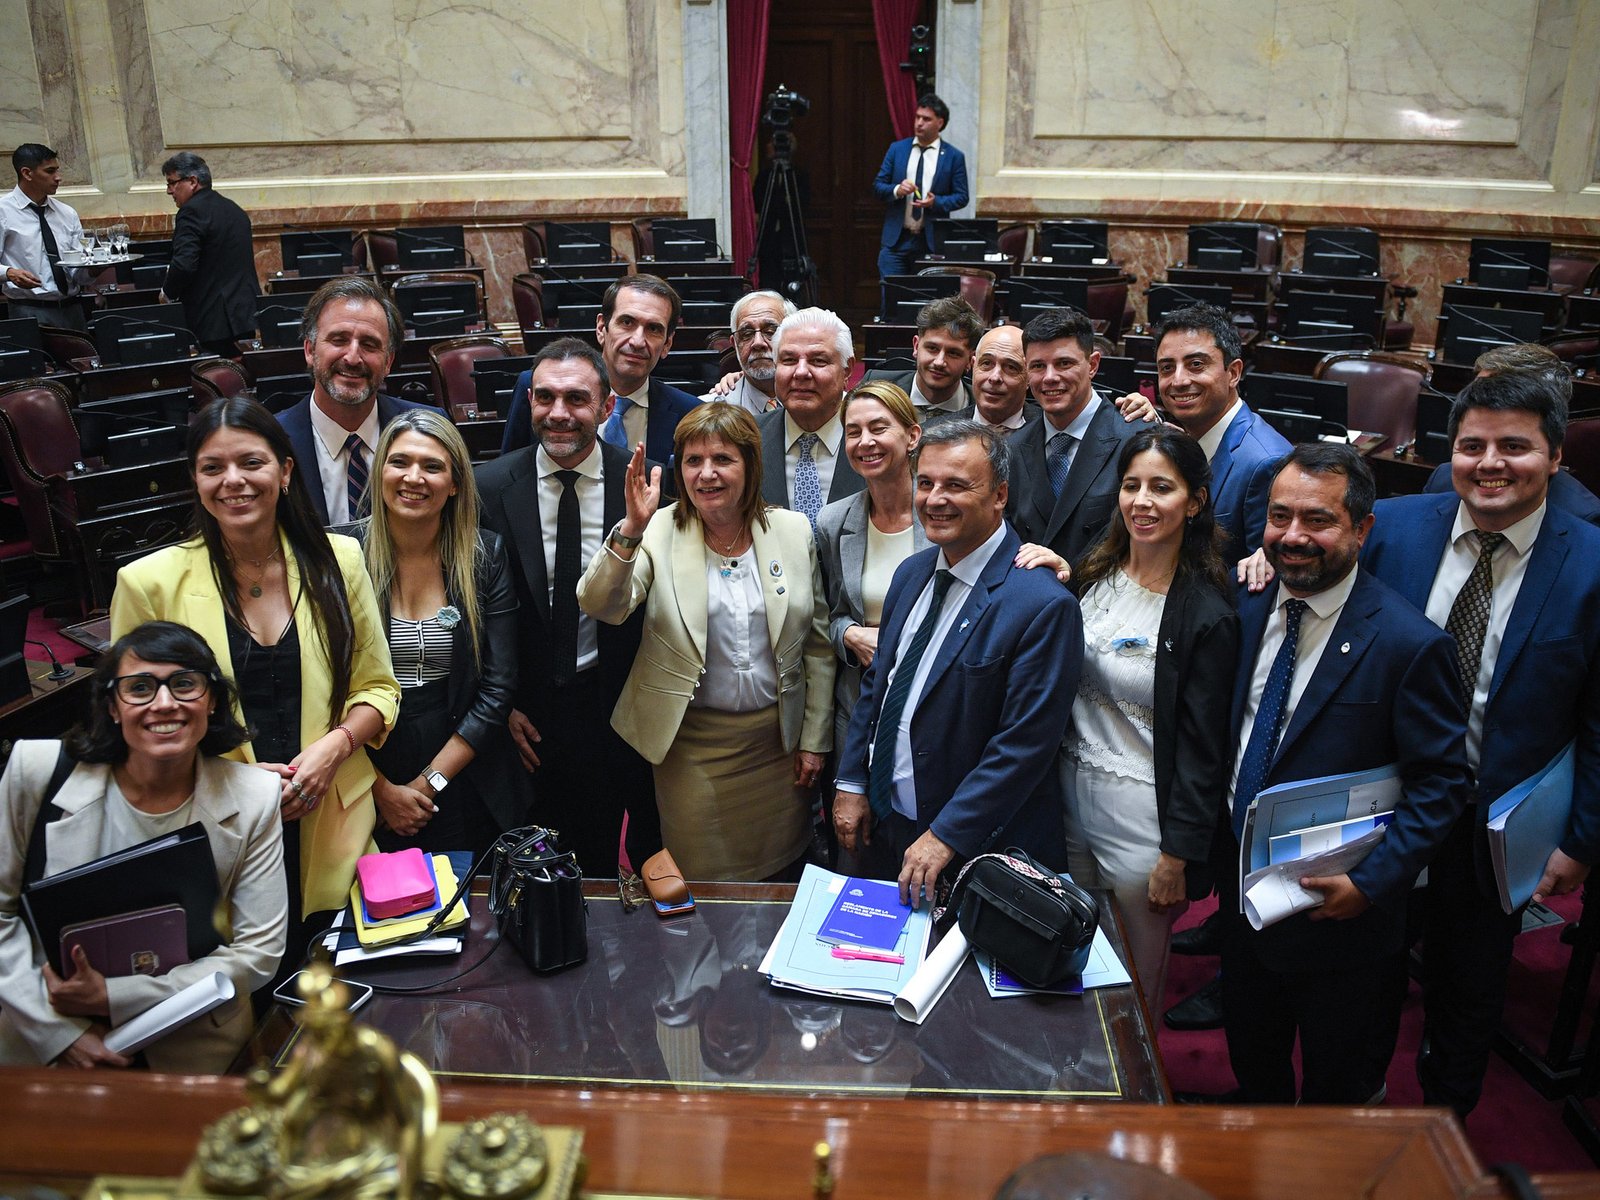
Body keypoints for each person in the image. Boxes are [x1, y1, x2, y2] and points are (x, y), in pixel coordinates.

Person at [1360, 369, 1600, 1117]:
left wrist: (1581, 842)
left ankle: (1446, 1121)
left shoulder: (1593, 564)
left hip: (1493, 821)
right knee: (1363, 967)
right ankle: (1358, 1099)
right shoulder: (1390, 526)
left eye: (1514, 447)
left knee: (1467, 988)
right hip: (1383, 802)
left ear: (1555, 457)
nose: (1490, 463)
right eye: (1472, 446)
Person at [109, 396, 400, 978]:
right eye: (213, 468)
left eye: (251, 462)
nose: (233, 481)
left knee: (344, 998)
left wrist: (333, 749)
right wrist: (235, 780)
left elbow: (378, 689)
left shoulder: (339, 560)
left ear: (285, 471)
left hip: (332, 820)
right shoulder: (148, 584)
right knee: (245, 1002)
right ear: (195, 480)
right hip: (215, 827)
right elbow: (135, 726)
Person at [1217, 443, 1469, 1104]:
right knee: (1254, 1064)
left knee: (1337, 1092)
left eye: (1318, 520)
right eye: (1280, 516)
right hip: (1244, 901)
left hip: (1343, 920)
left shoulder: (1411, 644)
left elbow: (1442, 785)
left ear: (1362, 530)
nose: (1293, 536)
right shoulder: (1244, 605)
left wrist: (1371, 882)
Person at [0, 620, 286, 1072]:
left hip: (193, 1041)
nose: (164, 703)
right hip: (47, 1031)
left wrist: (114, 996)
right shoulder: (35, 771)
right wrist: (59, 1034)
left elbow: (259, 952)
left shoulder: (255, 796)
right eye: (139, 688)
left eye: (185, 684)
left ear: (212, 700)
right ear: (112, 706)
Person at [577, 403, 834, 882]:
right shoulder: (659, 529)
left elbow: (817, 647)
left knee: (781, 874)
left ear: (750, 465)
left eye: (722, 459)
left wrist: (814, 741)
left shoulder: (793, 530)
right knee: (702, 883)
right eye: (693, 461)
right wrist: (630, 530)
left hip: (776, 750)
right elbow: (602, 605)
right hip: (690, 750)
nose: (706, 473)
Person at [833, 421, 1084, 904]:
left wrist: (947, 833)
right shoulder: (911, 573)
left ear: (999, 495)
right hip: (887, 823)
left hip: (972, 848)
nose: (935, 499)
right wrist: (852, 780)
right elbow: (879, 684)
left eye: (955, 485)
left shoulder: (1042, 604)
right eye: (926, 483)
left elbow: (1024, 745)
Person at [1060, 428, 1239, 1009]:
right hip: (1068, 796)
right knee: (1069, 966)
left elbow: (1205, 750)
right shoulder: (1095, 571)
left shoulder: (1205, 611)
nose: (1142, 501)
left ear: (1195, 501)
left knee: (1133, 988)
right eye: (1131, 485)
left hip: (1143, 818)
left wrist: (1177, 854)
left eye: (1162, 488)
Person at [475, 338, 657, 876]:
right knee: (516, 869)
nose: (558, 413)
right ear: (529, 401)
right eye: (545, 397)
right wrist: (499, 708)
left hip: (611, 708)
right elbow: (470, 609)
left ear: (606, 407)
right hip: (519, 715)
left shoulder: (646, 484)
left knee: (597, 863)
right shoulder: (487, 487)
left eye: (576, 399)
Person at [335, 410, 526, 860]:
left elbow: (497, 687)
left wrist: (428, 784)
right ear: (380, 471)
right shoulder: (339, 554)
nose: (413, 478)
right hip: (363, 764)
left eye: (433, 466)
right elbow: (323, 691)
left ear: (455, 483)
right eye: (400, 462)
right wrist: (380, 789)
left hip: (463, 760)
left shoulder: (485, 554)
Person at [815, 381, 929, 754]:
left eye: (878, 428)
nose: (865, 441)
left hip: (931, 704)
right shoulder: (833, 522)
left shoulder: (943, 513)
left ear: (912, 436)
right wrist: (848, 634)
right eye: (853, 432)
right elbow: (827, 615)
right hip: (859, 708)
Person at [276, 276, 440, 525]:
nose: (352, 358)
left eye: (369, 344)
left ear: (388, 362)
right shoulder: (272, 440)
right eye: (338, 340)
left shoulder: (431, 429)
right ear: (310, 350)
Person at [1007, 307, 1156, 569]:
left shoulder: (1136, 438)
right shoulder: (1014, 447)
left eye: (1064, 363)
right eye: (1038, 366)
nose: (1050, 377)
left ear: (1093, 365)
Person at [501, 275, 699, 459]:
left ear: (667, 344)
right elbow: (510, 472)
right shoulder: (537, 387)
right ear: (601, 328)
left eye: (653, 329)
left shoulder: (689, 413)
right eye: (627, 322)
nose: (638, 341)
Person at [1152, 303, 1290, 561]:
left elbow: (1263, 576)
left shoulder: (1265, 462)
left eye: (1195, 364)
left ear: (1233, 373)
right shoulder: (1180, 439)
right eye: (1167, 368)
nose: (1178, 381)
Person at [1420, 343, 1600, 526]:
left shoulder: (1585, 520)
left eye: (1513, 447)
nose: (1489, 463)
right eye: (1480, 392)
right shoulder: (1442, 480)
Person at [759, 307, 865, 523]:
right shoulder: (748, 437)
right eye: (789, 360)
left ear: (847, 370)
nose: (801, 372)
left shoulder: (878, 442)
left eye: (818, 361)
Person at [159, 151, 260, 358]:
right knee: (241, 373)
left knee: (212, 375)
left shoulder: (191, 212)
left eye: (172, 183)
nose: (169, 191)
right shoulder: (234, 209)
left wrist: (167, 293)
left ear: (192, 181)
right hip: (243, 315)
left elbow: (184, 265)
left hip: (211, 320)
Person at [874, 93, 970, 285]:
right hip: (896, 242)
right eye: (917, 117)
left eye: (926, 119)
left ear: (940, 123)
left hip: (930, 243)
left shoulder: (953, 156)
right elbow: (878, 186)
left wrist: (936, 202)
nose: (919, 123)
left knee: (927, 297)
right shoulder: (897, 149)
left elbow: (962, 196)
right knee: (892, 295)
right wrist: (897, 190)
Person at [0, 143, 90, 330]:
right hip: (28, 310)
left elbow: (79, 274)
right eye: (50, 171)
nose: (58, 177)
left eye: (57, 170)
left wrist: (95, 269)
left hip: (73, 309)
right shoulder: (3, 211)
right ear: (27, 173)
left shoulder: (67, 213)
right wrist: (9, 273)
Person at [863, 296, 984, 421]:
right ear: (916, 346)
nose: (939, 362)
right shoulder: (874, 386)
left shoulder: (982, 407)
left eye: (953, 353)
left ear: (970, 360)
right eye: (932, 348)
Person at [702, 291, 795, 416]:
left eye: (770, 331)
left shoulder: (817, 403)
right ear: (735, 344)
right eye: (747, 334)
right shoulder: (709, 412)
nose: (758, 343)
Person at [962, 324, 1040, 435]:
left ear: (1029, 377)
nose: (995, 378)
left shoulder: (1050, 431)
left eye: (1011, 367)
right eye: (986, 363)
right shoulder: (938, 431)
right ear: (973, 366)